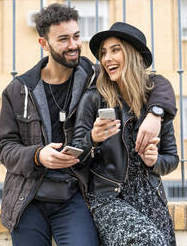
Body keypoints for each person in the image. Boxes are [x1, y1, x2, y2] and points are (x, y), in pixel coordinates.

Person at [0, 3, 175, 246]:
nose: (73, 45)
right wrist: (38, 156)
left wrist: (155, 113)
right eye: (63, 39)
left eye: (76, 36)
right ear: (44, 44)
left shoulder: (94, 76)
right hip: (29, 194)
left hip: (73, 191)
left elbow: (151, 80)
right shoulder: (18, 90)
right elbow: (5, 147)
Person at [72, 22, 179, 246]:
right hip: (108, 196)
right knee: (147, 240)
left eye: (115, 49)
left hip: (150, 197)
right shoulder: (93, 99)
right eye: (103, 53)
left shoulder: (156, 104)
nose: (107, 58)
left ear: (132, 54)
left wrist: (154, 161)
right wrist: (93, 139)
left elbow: (172, 158)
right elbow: (75, 158)